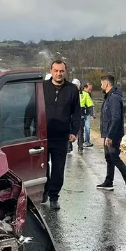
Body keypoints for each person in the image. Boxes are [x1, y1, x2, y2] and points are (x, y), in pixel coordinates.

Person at [41, 60, 81, 210]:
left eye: (61, 71)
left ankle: (54, 197)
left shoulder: (72, 90)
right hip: (43, 136)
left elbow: (76, 113)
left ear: (65, 71)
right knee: (43, 167)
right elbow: (32, 108)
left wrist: (74, 131)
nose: (59, 73)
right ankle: (44, 191)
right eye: (56, 70)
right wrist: (28, 129)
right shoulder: (42, 87)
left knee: (58, 169)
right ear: (51, 71)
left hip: (61, 137)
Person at [96, 75, 126, 196]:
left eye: (102, 84)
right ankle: (108, 182)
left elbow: (116, 118)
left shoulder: (113, 98)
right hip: (108, 134)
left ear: (106, 84)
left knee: (115, 158)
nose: (101, 86)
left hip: (113, 135)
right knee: (109, 158)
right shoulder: (109, 97)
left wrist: (110, 136)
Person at [79, 83, 95, 151]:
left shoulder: (88, 94)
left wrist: (92, 114)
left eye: (91, 89)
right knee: (81, 129)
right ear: (85, 87)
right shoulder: (80, 93)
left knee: (87, 128)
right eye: (89, 89)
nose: (90, 91)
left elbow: (91, 104)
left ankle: (86, 141)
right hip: (82, 113)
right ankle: (80, 143)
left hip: (87, 113)